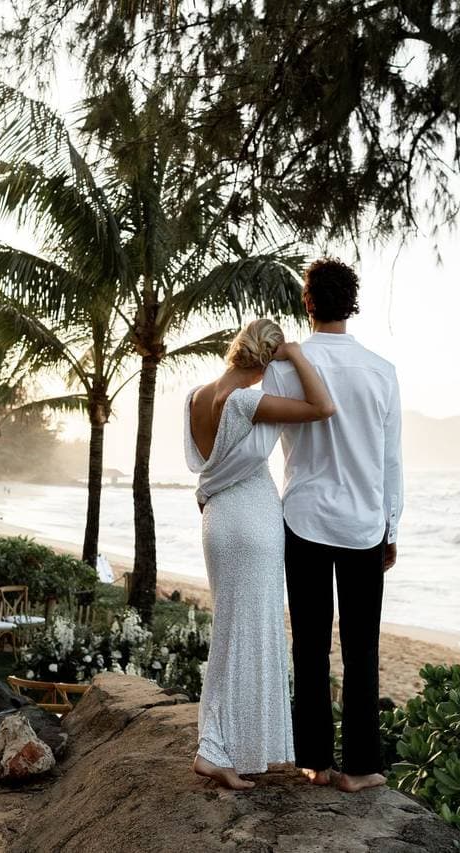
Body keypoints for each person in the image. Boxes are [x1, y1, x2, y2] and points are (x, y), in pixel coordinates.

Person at [262, 258, 403, 793]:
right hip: (365, 523)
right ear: (353, 303)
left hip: (303, 519)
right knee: (363, 646)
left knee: (311, 645)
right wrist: (390, 528)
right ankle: (362, 768)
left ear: (308, 302)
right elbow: (391, 461)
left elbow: (259, 443)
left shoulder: (285, 366)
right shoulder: (381, 371)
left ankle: (316, 763)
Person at [183, 318, 336, 790]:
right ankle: (218, 751)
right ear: (266, 359)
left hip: (219, 522)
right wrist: (298, 355)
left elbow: (205, 463)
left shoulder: (195, 395)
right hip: (252, 522)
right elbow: (322, 406)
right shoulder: (249, 401)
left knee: (230, 631)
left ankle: (219, 744)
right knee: (247, 633)